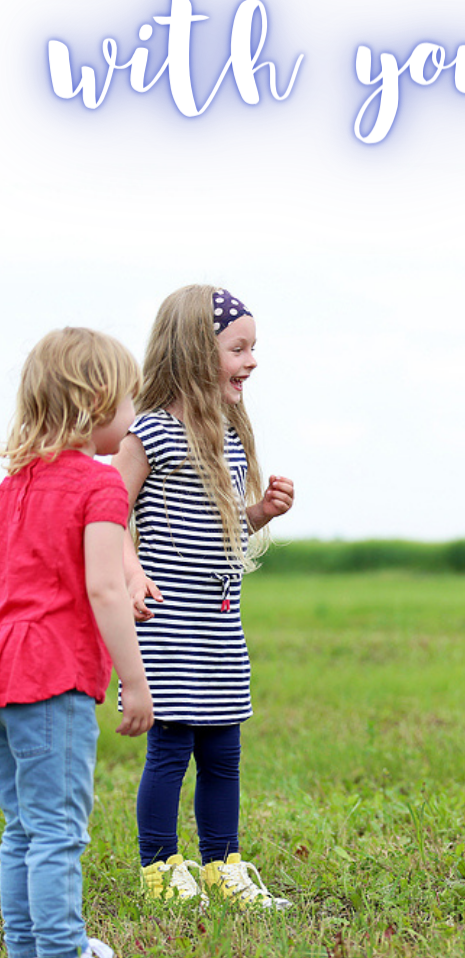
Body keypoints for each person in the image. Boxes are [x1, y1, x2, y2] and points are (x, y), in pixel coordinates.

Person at [0, 328, 168, 958]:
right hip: (55, 674)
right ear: (98, 401)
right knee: (60, 831)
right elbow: (101, 587)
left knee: (22, 826)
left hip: (8, 670)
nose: (133, 416)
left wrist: (124, 581)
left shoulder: (12, 488)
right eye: (130, 399)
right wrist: (134, 678)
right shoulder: (101, 487)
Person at [114, 286, 294, 909]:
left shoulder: (229, 439)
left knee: (223, 750)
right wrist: (132, 573)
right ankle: (161, 867)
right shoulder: (150, 434)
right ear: (194, 351)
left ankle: (223, 864)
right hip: (165, 623)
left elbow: (219, 530)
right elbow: (109, 515)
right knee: (170, 749)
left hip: (219, 624)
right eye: (238, 348)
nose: (251, 361)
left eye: (253, 349)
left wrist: (260, 513)